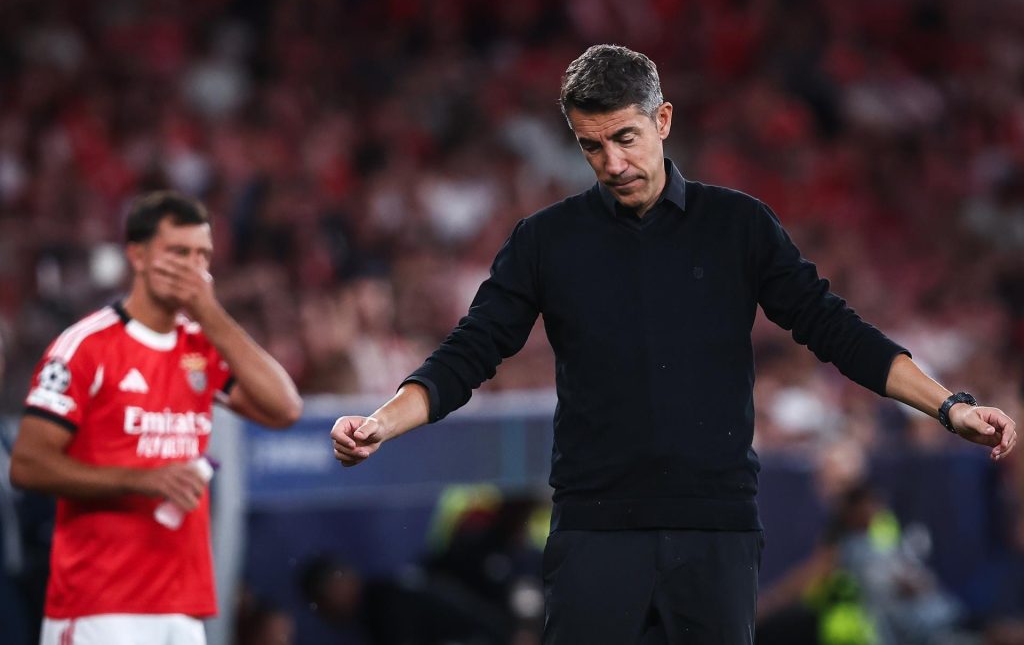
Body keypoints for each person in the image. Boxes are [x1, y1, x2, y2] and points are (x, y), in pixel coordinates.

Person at [330, 44, 1017, 644]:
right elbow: (470, 352)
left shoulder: (739, 226)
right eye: (591, 146)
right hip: (593, 532)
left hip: (714, 532)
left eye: (625, 137)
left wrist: (950, 406)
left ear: (662, 119)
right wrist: (381, 423)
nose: (612, 161)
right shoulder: (546, 241)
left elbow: (837, 330)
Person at [9, 191, 302, 645]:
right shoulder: (84, 346)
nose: (192, 267)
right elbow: (27, 465)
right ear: (137, 255)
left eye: (202, 255)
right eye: (178, 252)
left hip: (181, 607)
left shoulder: (200, 346)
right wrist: (141, 480)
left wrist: (210, 314)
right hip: (99, 604)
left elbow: (284, 408)